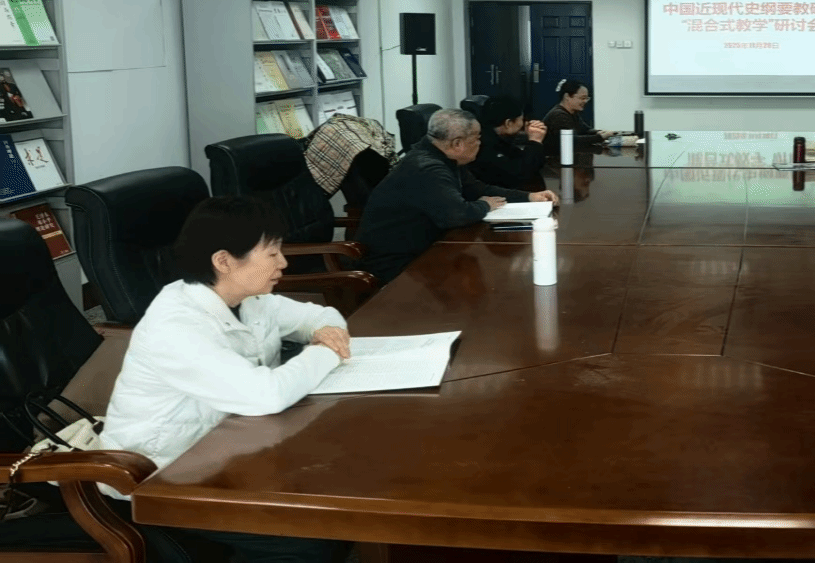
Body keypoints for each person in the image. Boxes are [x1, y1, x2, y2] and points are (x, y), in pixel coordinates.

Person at [100, 196, 352, 563]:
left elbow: (324, 316)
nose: (283, 262)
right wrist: (327, 351)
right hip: (163, 475)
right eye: (272, 253)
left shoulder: (250, 298)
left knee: (339, 492)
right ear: (224, 261)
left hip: (232, 452)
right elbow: (265, 396)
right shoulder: (177, 326)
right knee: (309, 541)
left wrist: (326, 333)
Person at [355, 108, 557, 283]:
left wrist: (530, 197)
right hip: (397, 266)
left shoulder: (444, 158)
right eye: (477, 138)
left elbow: (478, 189)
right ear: (458, 143)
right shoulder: (428, 168)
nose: (480, 143)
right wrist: (485, 206)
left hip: (425, 250)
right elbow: (457, 214)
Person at [469, 94, 547, 188]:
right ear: (508, 123)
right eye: (521, 120)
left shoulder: (497, 138)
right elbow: (521, 174)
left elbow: (527, 161)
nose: (523, 124)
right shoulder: (484, 146)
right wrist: (535, 141)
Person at [542, 79, 613, 154]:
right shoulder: (558, 115)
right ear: (567, 96)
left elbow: (585, 130)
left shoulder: (573, 113)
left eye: (587, 98)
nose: (585, 101)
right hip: (557, 158)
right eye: (582, 98)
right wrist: (600, 137)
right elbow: (571, 141)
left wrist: (599, 132)